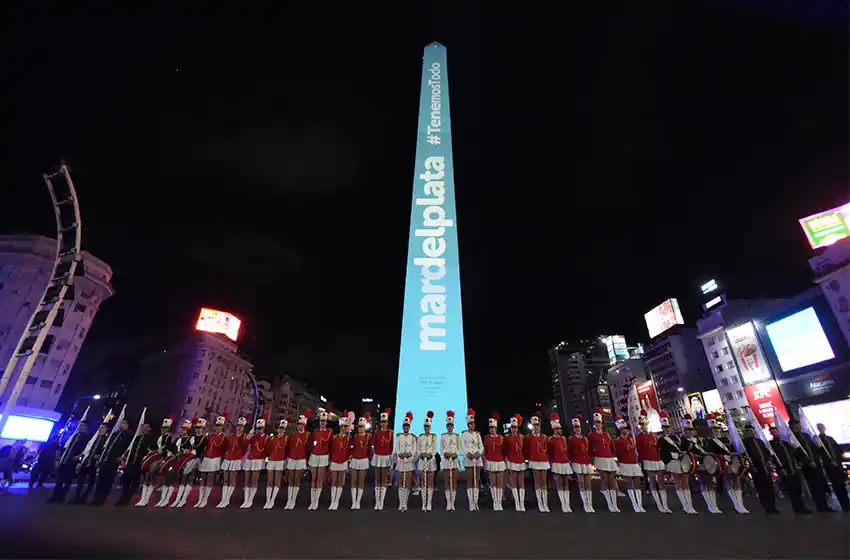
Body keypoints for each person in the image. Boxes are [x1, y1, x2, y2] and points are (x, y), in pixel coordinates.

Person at [703, 415, 748, 514]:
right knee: (729, 483)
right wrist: (723, 457)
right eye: (714, 429)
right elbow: (710, 454)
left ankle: (740, 504)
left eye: (717, 429)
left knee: (736, 482)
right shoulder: (709, 442)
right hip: (721, 463)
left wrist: (734, 455)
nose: (716, 431)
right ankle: (736, 504)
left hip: (732, 462)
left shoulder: (726, 439)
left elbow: (733, 449)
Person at [789, 418, 834, 513]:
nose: (800, 426)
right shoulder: (793, 438)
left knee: (821, 484)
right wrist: (808, 462)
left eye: (800, 424)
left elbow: (813, 447)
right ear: (793, 426)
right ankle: (820, 505)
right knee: (815, 486)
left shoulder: (805, 435)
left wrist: (819, 451)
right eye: (798, 425)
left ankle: (824, 504)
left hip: (816, 463)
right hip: (808, 466)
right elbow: (797, 453)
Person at [90, 414, 133, 506]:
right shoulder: (114, 434)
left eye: (123, 423)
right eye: (121, 422)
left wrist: (122, 457)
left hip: (114, 461)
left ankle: (102, 498)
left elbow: (128, 448)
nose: (121, 424)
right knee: (100, 479)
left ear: (127, 425)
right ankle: (96, 498)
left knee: (108, 480)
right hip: (106, 459)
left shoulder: (128, 435)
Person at [47, 413, 91, 504]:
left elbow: (85, 449)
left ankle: (62, 496)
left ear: (85, 427)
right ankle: (55, 496)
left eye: (82, 426)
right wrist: (59, 457)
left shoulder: (86, 437)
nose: (80, 427)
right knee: (59, 479)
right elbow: (65, 446)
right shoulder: (73, 436)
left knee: (67, 480)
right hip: (65, 459)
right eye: (79, 425)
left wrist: (79, 457)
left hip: (72, 461)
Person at [769, 425, 812, 514]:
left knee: (798, 488)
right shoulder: (771, 445)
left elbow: (794, 453)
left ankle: (801, 507)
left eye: (776, 432)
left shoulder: (785, 443)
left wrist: (799, 463)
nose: (775, 434)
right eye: (773, 433)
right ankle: (797, 508)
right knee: (791, 490)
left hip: (794, 468)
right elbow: (773, 458)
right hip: (784, 470)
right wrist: (779, 469)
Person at [659, 411, 696, 514]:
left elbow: (682, 447)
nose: (666, 429)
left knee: (685, 482)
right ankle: (685, 505)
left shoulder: (676, 437)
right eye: (664, 427)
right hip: (671, 461)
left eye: (667, 427)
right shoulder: (661, 439)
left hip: (681, 460)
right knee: (678, 482)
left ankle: (690, 505)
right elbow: (663, 453)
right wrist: (672, 457)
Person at [635, 409, 670, 513]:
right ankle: (659, 505)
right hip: (647, 461)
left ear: (647, 423)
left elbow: (658, 448)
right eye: (641, 424)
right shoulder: (638, 437)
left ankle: (665, 505)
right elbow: (638, 450)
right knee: (653, 483)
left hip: (657, 460)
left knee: (661, 483)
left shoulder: (654, 436)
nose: (642, 426)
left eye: (644, 424)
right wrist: (641, 461)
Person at [136, 414, 174, 507]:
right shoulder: (158, 436)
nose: (163, 429)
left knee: (153, 476)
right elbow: (153, 445)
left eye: (165, 428)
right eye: (163, 427)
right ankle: (143, 499)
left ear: (169, 429)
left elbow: (168, 447)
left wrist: (162, 451)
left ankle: (148, 499)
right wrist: (151, 449)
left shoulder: (168, 437)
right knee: (147, 476)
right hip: (154, 456)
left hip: (161, 458)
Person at [70, 417, 110, 504]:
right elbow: (87, 449)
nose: (100, 429)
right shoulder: (93, 438)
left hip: (94, 463)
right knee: (80, 481)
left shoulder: (106, 440)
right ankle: (76, 498)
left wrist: (99, 458)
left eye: (102, 428)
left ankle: (83, 498)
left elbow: (105, 451)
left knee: (91, 483)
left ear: (106, 429)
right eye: (100, 428)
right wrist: (81, 459)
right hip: (86, 461)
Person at [685, 416, 720, 514]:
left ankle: (714, 504)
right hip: (699, 462)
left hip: (708, 462)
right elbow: (690, 451)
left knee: (709, 483)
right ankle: (709, 504)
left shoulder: (706, 439)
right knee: (703, 482)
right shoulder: (692, 440)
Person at [115, 419, 155, 506]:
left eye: (147, 427)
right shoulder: (137, 438)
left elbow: (152, 451)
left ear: (150, 429)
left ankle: (127, 499)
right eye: (143, 426)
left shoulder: (151, 439)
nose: (144, 428)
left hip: (140, 463)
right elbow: (131, 448)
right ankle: (122, 498)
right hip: (131, 461)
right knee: (126, 480)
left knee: (134, 482)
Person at [741, 423, 778, 514]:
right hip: (756, 467)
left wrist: (769, 460)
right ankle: (766, 506)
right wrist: (750, 466)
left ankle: (772, 506)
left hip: (765, 466)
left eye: (752, 431)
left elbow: (766, 452)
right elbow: (743, 456)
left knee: (769, 486)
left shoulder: (759, 441)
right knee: (761, 487)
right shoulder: (744, 443)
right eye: (748, 431)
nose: (751, 433)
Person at [155, 418, 192, 507]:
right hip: (174, 461)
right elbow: (171, 448)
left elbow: (189, 450)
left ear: (187, 431)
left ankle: (177, 500)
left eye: (184, 429)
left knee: (178, 480)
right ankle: (164, 499)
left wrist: (182, 452)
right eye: (182, 429)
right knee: (168, 478)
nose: (182, 431)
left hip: (183, 462)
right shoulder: (177, 439)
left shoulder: (189, 440)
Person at [814, 422, 850, 513]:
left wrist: (840, 458)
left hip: (838, 464)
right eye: (819, 427)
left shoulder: (830, 439)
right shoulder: (818, 440)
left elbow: (838, 449)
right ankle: (843, 505)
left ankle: (847, 503)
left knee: (842, 484)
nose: (821, 429)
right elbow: (818, 453)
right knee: (836, 485)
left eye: (822, 427)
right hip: (829, 466)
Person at [195, 411, 227, 508]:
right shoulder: (209, 436)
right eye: (217, 425)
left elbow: (224, 450)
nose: (217, 427)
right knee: (203, 478)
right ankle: (200, 499)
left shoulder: (224, 437)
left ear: (223, 427)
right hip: (206, 458)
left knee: (210, 478)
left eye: (220, 426)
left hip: (215, 459)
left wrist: (221, 461)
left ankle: (205, 500)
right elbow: (204, 446)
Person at [217, 412, 248, 508]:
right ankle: (223, 499)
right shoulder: (231, 436)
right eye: (238, 426)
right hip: (228, 458)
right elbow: (226, 447)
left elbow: (244, 449)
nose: (239, 428)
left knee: (232, 480)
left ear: (244, 428)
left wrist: (239, 456)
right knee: (226, 480)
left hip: (236, 459)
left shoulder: (244, 437)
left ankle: (227, 499)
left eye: (241, 427)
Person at [614, 415, 645, 513]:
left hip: (634, 462)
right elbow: (617, 453)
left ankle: (640, 504)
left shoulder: (631, 439)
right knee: (629, 484)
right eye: (624, 428)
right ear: (620, 430)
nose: (626, 430)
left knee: (637, 483)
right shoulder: (617, 441)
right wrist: (618, 464)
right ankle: (634, 504)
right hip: (625, 463)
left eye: (627, 428)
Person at [284, 409, 311, 510]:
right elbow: (289, 447)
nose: (299, 426)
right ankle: (289, 500)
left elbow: (309, 448)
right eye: (298, 424)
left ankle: (293, 500)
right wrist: (287, 458)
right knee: (291, 479)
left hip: (301, 458)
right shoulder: (293, 435)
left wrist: (308, 461)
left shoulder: (308, 435)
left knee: (297, 479)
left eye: (301, 424)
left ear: (304, 425)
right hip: (292, 458)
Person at [241, 413, 269, 509]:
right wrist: (248, 436)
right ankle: (245, 500)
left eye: (260, 428)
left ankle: (250, 500)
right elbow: (245, 445)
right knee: (247, 480)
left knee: (254, 480)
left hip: (258, 459)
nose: (259, 430)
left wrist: (265, 459)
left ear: (264, 428)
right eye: (258, 428)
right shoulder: (253, 437)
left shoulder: (266, 438)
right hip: (250, 459)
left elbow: (267, 450)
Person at [524, 411, 550, 513]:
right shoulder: (529, 437)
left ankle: (545, 503)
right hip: (534, 460)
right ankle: (540, 503)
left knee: (544, 481)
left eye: (537, 425)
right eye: (534, 425)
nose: (536, 427)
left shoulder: (544, 437)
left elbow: (547, 449)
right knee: (537, 482)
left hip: (543, 460)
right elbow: (526, 449)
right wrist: (527, 460)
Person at [307, 409, 332, 510]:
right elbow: (311, 445)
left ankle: (316, 500)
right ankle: (312, 501)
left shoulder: (329, 432)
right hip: (314, 455)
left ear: (326, 423)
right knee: (313, 478)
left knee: (319, 479)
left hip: (323, 456)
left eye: (324, 421)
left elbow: (331, 445)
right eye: (321, 421)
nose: (322, 423)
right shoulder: (315, 432)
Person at [548, 413, 572, 513]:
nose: (559, 430)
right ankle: (563, 504)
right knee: (560, 484)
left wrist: (568, 461)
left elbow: (566, 450)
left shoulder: (563, 438)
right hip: (556, 463)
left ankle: (567, 504)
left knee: (566, 484)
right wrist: (551, 463)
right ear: (554, 429)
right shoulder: (551, 439)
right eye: (558, 429)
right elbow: (550, 452)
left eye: (560, 429)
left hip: (565, 462)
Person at [568, 414, 593, 513]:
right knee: (581, 482)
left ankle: (590, 503)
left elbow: (588, 450)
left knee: (588, 483)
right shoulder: (571, 439)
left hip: (586, 461)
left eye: (578, 427)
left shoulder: (585, 438)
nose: (577, 429)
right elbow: (569, 451)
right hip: (577, 461)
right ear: (573, 429)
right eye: (575, 427)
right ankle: (585, 503)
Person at [462, 408, 484, 512]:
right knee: (470, 480)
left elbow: (481, 446)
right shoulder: (464, 434)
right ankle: (471, 502)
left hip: (477, 458)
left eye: (473, 423)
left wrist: (478, 453)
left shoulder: (477, 434)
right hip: (468, 459)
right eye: (470, 424)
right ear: (468, 425)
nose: (472, 425)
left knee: (476, 479)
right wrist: (468, 454)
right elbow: (463, 445)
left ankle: (476, 502)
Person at [327, 412, 351, 510]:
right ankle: (332, 501)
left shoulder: (349, 438)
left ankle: (336, 501)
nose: (345, 428)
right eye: (343, 427)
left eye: (346, 427)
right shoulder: (334, 437)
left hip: (343, 461)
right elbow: (331, 449)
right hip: (334, 460)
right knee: (334, 481)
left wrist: (348, 461)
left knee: (340, 482)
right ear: (340, 427)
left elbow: (349, 451)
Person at [371, 408, 393, 511]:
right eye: (382, 422)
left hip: (385, 457)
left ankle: (381, 501)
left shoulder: (390, 433)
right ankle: (377, 501)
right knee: (377, 479)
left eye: (385, 422)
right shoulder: (377, 433)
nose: (383, 424)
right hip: (378, 456)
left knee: (384, 479)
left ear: (387, 423)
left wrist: (388, 457)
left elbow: (391, 446)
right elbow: (374, 444)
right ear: (380, 423)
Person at [503, 414, 526, 512]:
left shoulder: (522, 437)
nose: (514, 429)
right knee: (513, 483)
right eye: (512, 428)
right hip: (511, 460)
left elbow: (524, 449)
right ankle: (517, 502)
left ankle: (522, 503)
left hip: (520, 460)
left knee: (521, 483)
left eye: (515, 428)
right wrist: (506, 460)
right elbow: (505, 450)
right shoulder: (507, 438)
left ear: (517, 428)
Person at [265, 417, 288, 510]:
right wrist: (267, 458)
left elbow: (288, 450)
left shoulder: (286, 439)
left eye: (282, 428)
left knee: (277, 481)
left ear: (285, 430)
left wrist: (285, 461)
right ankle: (268, 500)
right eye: (280, 428)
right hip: (272, 460)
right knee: (270, 481)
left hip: (280, 461)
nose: (281, 430)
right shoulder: (273, 438)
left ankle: (272, 500)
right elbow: (268, 449)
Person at [484, 412, 506, 511]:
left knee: (499, 482)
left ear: (496, 428)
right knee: (493, 482)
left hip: (500, 461)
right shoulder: (486, 438)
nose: (491, 430)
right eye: (490, 428)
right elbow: (485, 450)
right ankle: (495, 501)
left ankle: (499, 501)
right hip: (491, 461)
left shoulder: (501, 438)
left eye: (493, 428)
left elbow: (504, 450)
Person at [349, 412, 371, 510]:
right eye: (359, 427)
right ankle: (353, 502)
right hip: (355, 459)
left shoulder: (368, 437)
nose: (360, 428)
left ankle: (358, 502)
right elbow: (352, 447)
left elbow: (369, 449)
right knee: (353, 481)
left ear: (365, 427)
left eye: (362, 427)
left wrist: (367, 458)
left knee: (361, 481)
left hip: (363, 460)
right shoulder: (355, 437)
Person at [396, 411, 417, 512]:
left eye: (407, 426)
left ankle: (405, 503)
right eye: (404, 426)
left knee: (408, 482)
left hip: (408, 461)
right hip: (400, 461)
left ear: (409, 427)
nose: (406, 428)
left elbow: (414, 449)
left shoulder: (412, 437)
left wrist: (409, 454)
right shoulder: (399, 436)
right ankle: (401, 503)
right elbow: (397, 448)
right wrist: (400, 454)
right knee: (400, 482)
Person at [440, 410, 461, 511]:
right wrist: (446, 453)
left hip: (454, 460)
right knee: (447, 481)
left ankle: (453, 501)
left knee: (454, 481)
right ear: (446, 426)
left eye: (451, 425)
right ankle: (448, 501)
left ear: (453, 426)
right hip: (446, 460)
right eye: (448, 425)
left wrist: (455, 454)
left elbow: (459, 448)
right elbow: (441, 448)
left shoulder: (457, 436)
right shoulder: (443, 436)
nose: (450, 427)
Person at [417, 411, 437, 512]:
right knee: (423, 482)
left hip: (431, 461)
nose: (426, 428)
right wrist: (421, 454)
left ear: (430, 427)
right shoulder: (420, 437)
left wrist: (430, 455)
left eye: (428, 426)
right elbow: (417, 449)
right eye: (425, 426)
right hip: (422, 460)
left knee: (430, 482)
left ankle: (429, 503)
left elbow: (435, 449)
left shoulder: (434, 436)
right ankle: (423, 502)